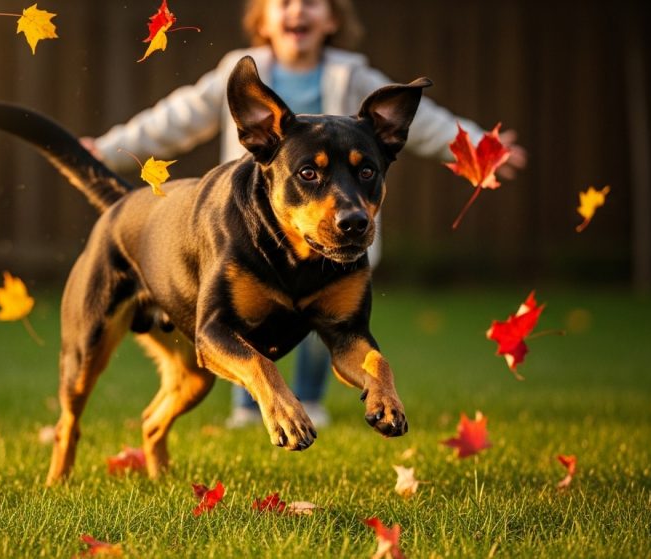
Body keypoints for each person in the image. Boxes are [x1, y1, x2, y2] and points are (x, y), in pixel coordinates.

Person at [82, 0, 526, 429]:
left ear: (333, 18)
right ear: (263, 19)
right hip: (257, 229)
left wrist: (480, 149)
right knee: (243, 322)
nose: (298, 10)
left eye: (312, 2)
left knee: (327, 322)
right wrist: (107, 148)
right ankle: (252, 405)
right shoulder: (241, 74)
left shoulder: (352, 75)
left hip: (331, 249)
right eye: (285, 2)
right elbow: (174, 119)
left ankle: (309, 400)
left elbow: (429, 122)